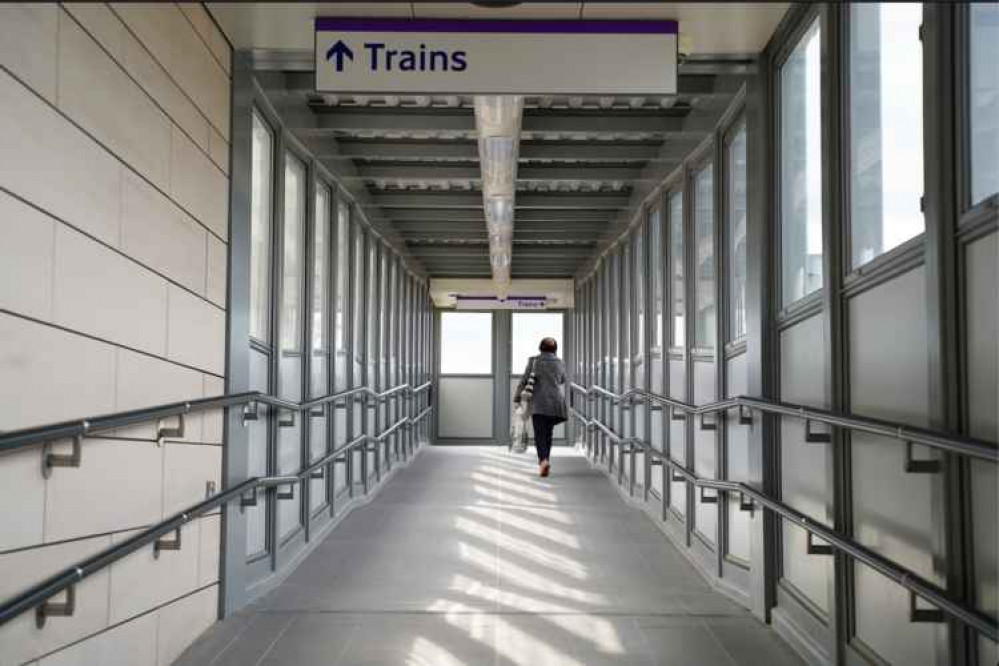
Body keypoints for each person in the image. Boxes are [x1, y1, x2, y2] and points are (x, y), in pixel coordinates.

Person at [514, 337, 567, 477]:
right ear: (555, 349)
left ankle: (543, 461)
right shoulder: (560, 362)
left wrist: (517, 398)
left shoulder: (534, 361)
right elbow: (562, 379)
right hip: (555, 403)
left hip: (538, 403)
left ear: (540, 348)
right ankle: (546, 460)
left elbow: (524, 380)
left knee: (539, 434)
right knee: (548, 433)